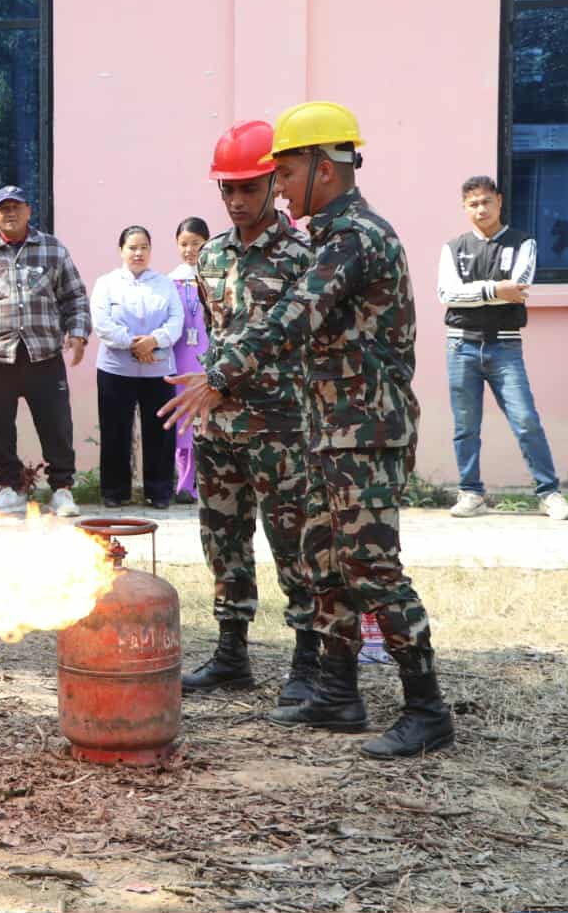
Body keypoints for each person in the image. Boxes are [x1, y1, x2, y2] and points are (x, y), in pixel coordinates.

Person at [162, 101, 454, 759]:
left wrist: (220, 374)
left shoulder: (355, 236)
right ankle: (337, 693)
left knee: (373, 569)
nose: (281, 188)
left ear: (324, 168)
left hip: (365, 430)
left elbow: (294, 314)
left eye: (287, 173)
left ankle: (426, 709)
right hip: (328, 428)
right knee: (326, 564)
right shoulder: (326, 235)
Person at [177, 122, 318, 704]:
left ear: (273, 183)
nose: (236, 201)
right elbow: (218, 332)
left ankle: (309, 660)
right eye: (227, 190)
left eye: (249, 188)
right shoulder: (211, 254)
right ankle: (231, 654)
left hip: (280, 425)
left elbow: (295, 338)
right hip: (219, 424)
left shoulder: (303, 255)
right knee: (223, 539)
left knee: (295, 542)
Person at [438, 175, 568, 521]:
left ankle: (549, 493)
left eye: (486, 201)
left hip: (504, 345)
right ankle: (471, 493)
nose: (480, 209)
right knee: (465, 426)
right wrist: (494, 290)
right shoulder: (453, 248)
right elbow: (446, 294)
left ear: (499, 201)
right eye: (473, 204)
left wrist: (481, 292)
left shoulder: (523, 243)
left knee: (526, 419)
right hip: (460, 346)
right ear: (464, 208)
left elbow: (519, 286)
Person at [0, 186, 90, 518]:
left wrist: (79, 333)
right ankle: (9, 488)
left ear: (29, 211)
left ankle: (62, 490)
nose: (10, 213)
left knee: (56, 425)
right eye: (4, 208)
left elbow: (75, 297)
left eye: (17, 207)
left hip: (44, 355)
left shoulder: (52, 249)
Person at [91, 226, 183, 509]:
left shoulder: (165, 284)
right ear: (121, 250)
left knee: (160, 431)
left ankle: (159, 491)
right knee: (115, 430)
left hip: (158, 369)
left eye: (144, 247)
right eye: (132, 247)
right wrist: (134, 344)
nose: (138, 253)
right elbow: (102, 324)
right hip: (115, 369)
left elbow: (176, 321)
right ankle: (115, 492)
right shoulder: (106, 283)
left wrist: (154, 341)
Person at [169, 218, 211, 504]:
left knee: (206, 421)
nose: (189, 250)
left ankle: (209, 484)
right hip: (180, 359)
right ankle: (184, 485)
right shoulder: (168, 282)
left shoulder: (216, 278)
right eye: (184, 244)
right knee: (182, 422)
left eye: (196, 243)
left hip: (208, 359)